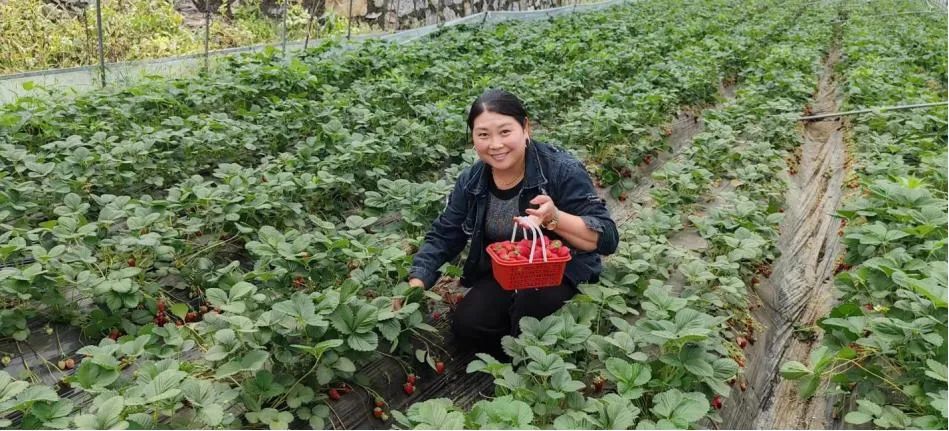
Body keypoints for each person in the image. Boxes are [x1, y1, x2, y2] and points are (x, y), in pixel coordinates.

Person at [407, 89, 619, 358]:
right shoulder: (471, 181)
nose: (495, 144)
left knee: (528, 311)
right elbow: (445, 234)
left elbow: (607, 238)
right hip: (508, 272)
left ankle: (542, 359)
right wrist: (417, 283)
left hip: (562, 269)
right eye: (483, 134)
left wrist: (555, 218)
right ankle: (513, 364)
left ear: (525, 127)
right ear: (473, 138)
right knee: (468, 325)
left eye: (505, 132)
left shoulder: (560, 169)